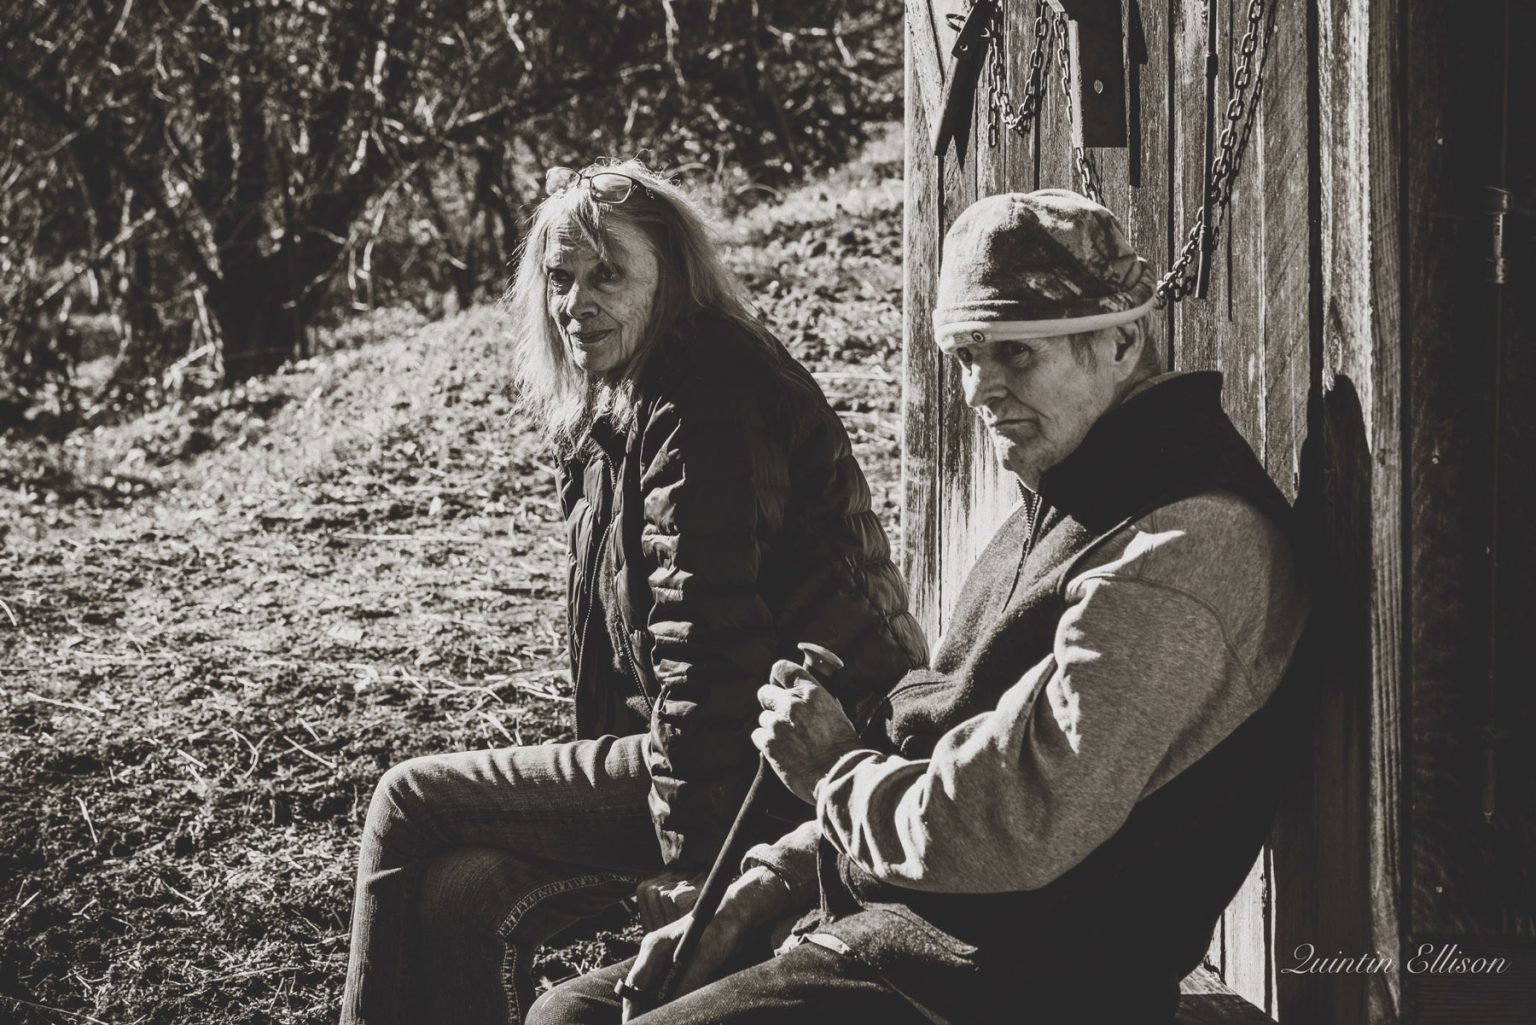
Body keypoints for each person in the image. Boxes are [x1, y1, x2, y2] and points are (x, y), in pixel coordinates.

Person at [528, 188, 1313, 1024]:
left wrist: (834, 772)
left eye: (1015, 354)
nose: (982, 388)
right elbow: (938, 741)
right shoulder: (1067, 500)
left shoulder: (1183, 543)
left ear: (1122, 340)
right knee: (568, 1014)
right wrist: (758, 890)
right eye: (967, 356)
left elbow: (1021, 815)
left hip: (1010, 985)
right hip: (895, 931)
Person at [338, 161, 927, 1025]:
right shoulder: (617, 401)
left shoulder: (706, 388)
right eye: (560, 278)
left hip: (780, 768)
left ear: (674, 275)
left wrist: (696, 871)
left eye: (608, 272)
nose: (577, 301)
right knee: (460, 888)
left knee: (407, 798)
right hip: (702, 758)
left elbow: (710, 646)